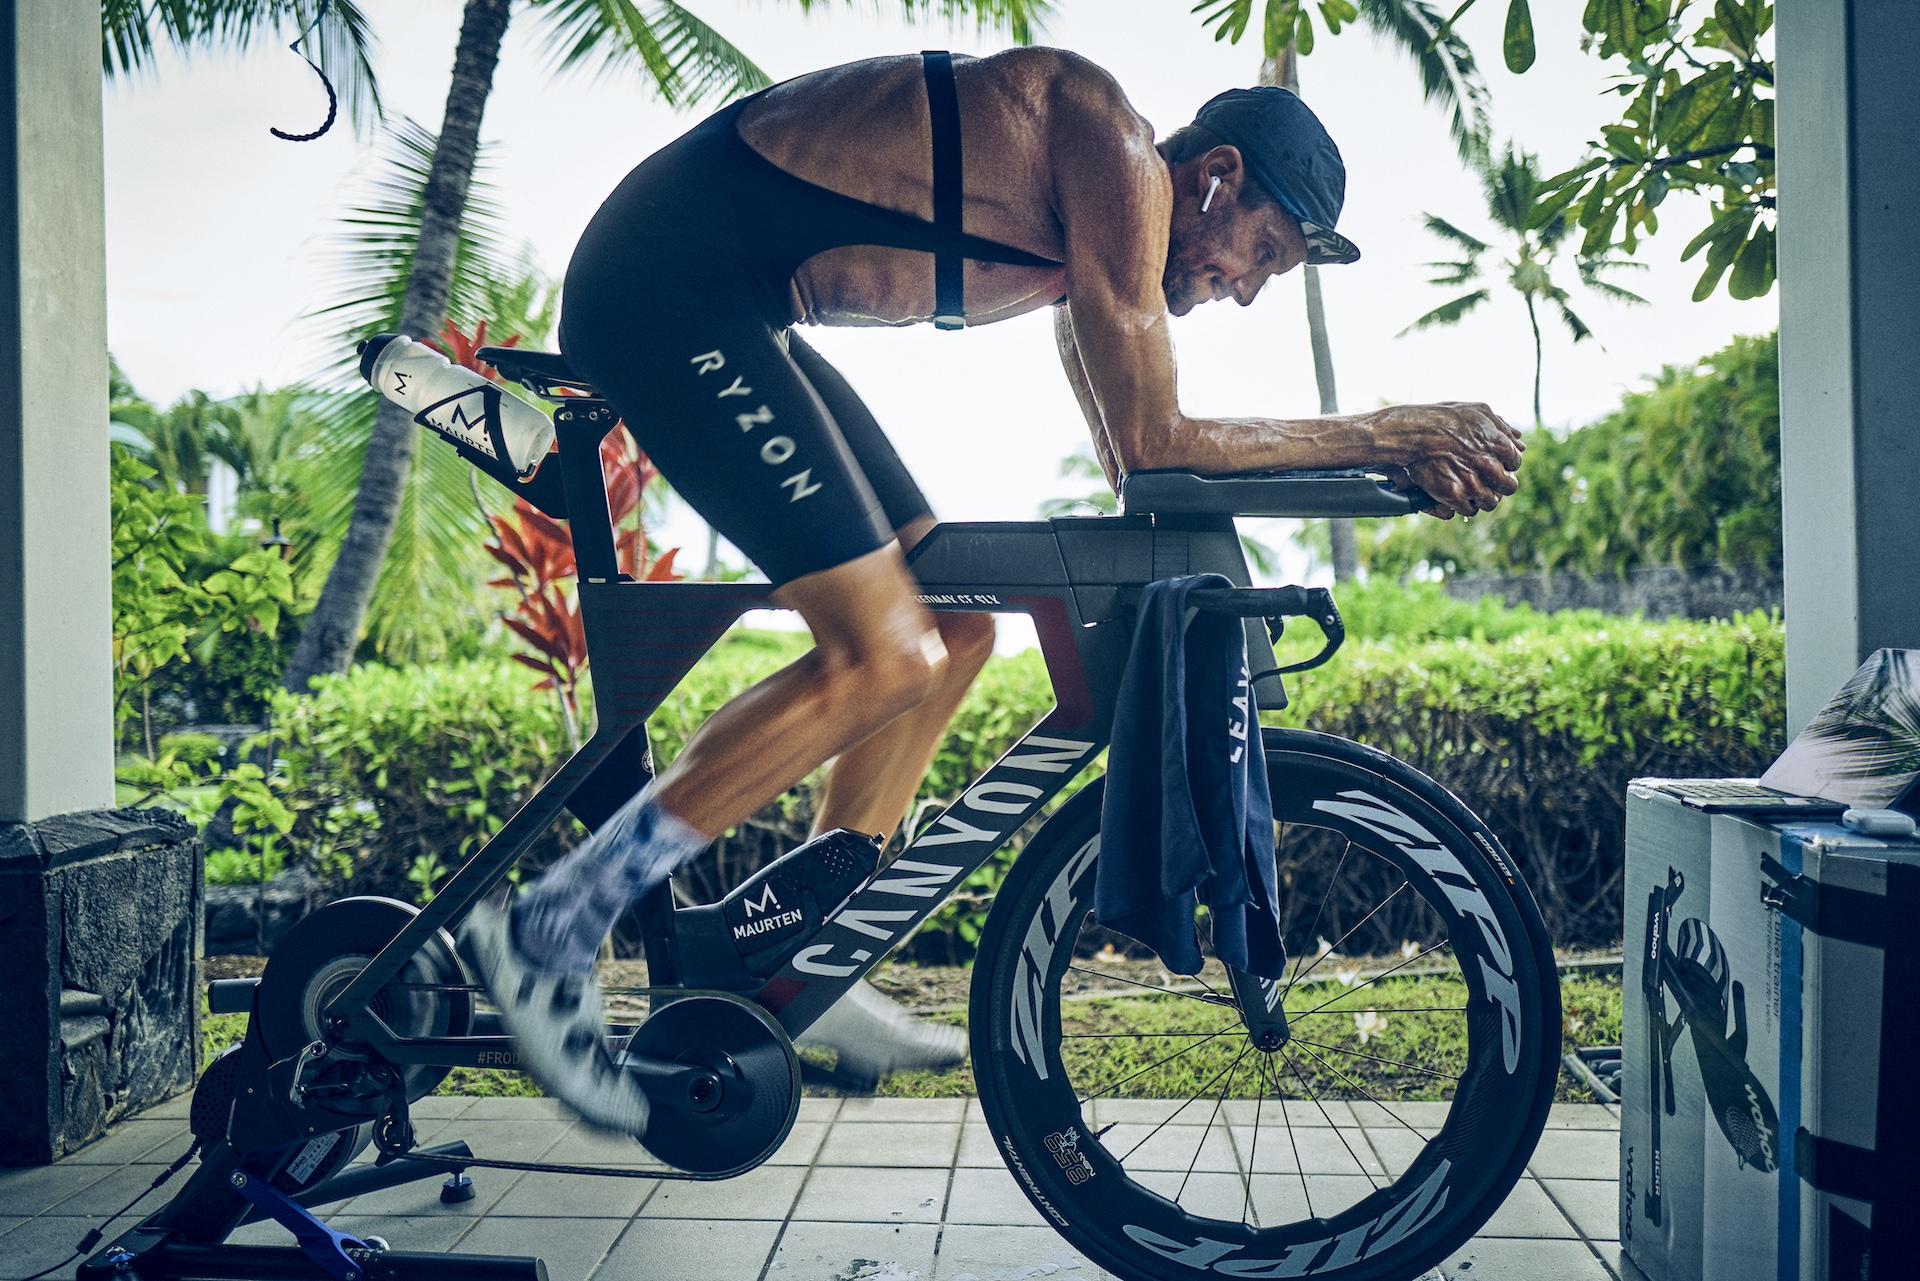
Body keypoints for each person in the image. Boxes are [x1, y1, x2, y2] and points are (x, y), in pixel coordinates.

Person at [458, 47, 1525, 1136]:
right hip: (670, 288)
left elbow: (1137, 464)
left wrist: (1370, 456)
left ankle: (797, 955)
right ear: (1217, 176)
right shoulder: (1113, 152)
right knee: (882, 652)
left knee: (954, 632)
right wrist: (1387, 430)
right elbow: (1161, 437)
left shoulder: (1096, 247)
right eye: (1263, 251)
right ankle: (552, 924)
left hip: (735, 299)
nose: (1246, 287)